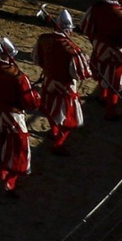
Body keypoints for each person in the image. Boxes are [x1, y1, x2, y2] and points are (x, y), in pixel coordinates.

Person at [0, 37, 36, 193]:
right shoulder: (19, 77)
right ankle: (10, 180)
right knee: (18, 146)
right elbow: (29, 101)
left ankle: (2, 170)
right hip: (14, 115)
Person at [32, 10, 91, 153]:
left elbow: (36, 59)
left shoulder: (43, 39)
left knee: (50, 110)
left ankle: (54, 132)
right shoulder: (73, 50)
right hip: (65, 87)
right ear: (69, 31)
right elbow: (82, 74)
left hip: (48, 82)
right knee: (69, 119)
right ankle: (57, 144)